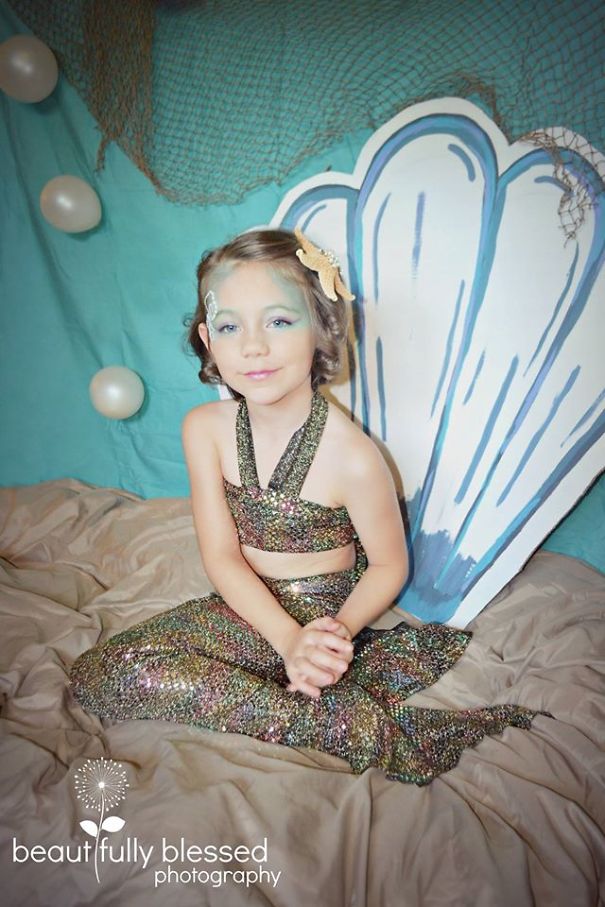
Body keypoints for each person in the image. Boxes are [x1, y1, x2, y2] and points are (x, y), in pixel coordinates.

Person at [69, 227, 549, 785]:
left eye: (278, 320)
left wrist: (324, 639)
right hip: (244, 604)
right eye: (230, 326)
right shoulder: (204, 429)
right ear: (207, 339)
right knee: (100, 673)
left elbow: (389, 566)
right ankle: (324, 720)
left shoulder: (354, 457)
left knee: (168, 671)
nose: (253, 346)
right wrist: (283, 639)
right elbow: (222, 556)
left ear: (321, 328)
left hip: (324, 613)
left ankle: (306, 685)